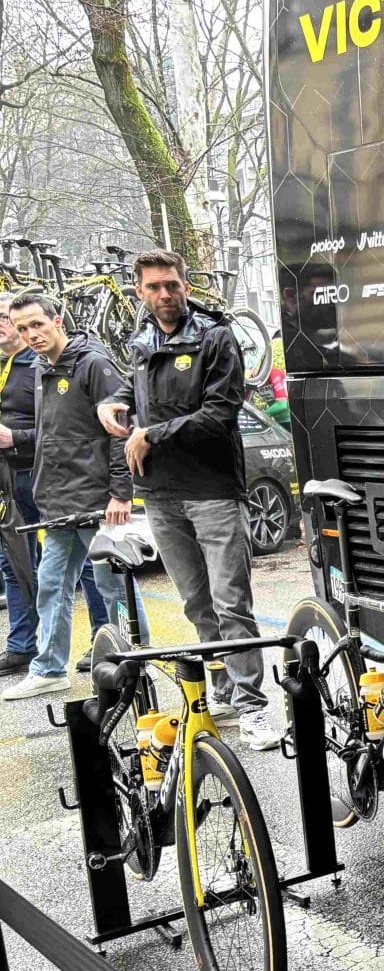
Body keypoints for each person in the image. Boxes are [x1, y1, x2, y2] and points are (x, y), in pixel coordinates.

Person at [97, 250, 278, 750]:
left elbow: (220, 413)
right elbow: (133, 393)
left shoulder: (216, 337)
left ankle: (254, 707)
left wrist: (151, 434)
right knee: (197, 604)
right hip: (160, 495)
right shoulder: (139, 342)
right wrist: (116, 403)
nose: (165, 295)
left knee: (231, 603)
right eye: (154, 287)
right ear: (140, 292)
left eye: (172, 285)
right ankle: (221, 692)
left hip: (215, 491)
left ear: (186, 287)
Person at [3, 292, 130, 700]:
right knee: (52, 586)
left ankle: (132, 658)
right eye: (23, 328)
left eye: (37, 324)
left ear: (57, 320)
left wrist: (120, 493)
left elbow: (119, 432)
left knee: (113, 586)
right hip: (57, 501)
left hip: (96, 500)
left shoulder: (93, 364)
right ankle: (49, 668)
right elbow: (49, 436)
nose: (31, 334)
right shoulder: (42, 367)